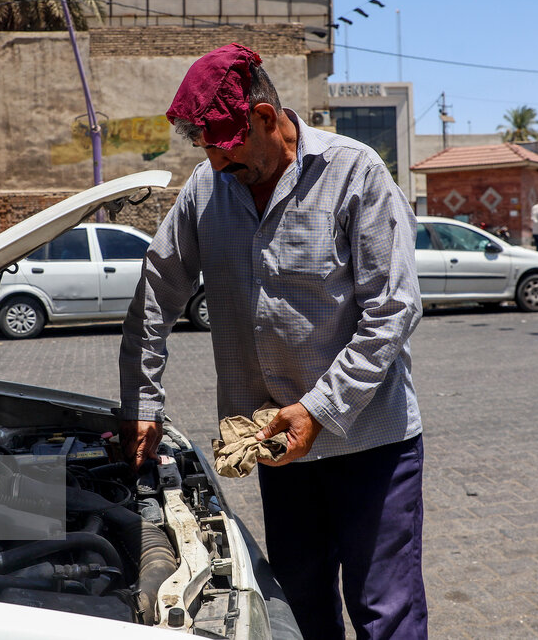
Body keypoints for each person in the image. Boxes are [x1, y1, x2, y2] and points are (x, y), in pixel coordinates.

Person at [118, 43, 426, 638]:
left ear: (264, 118)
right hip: (279, 448)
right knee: (299, 605)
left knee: (385, 610)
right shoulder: (207, 189)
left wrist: (318, 408)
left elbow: (394, 309)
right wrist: (143, 403)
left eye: (225, 149)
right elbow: (156, 291)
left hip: (371, 444)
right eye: (205, 151)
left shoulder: (354, 172)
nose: (216, 164)